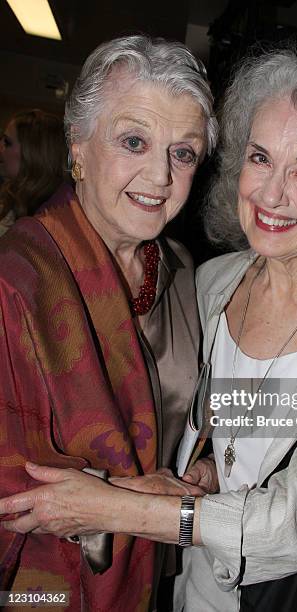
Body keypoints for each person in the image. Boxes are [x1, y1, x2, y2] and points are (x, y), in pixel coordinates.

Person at [0, 44, 297, 611]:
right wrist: (205, 471)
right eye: (260, 158)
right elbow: (240, 421)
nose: (271, 193)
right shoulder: (210, 283)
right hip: (187, 589)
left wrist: (117, 509)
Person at [0, 35, 217, 611]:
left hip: (155, 579)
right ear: (78, 145)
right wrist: (131, 497)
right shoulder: (16, 280)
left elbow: (202, 407)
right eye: (133, 141)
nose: (161, 177)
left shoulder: (182, 269)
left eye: (184, 152)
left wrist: (208, 465)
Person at [0, 109, 67, 236]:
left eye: (7, 142)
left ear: (32, 154)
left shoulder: (44, 220)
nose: (0, 147)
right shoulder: (14, 198)